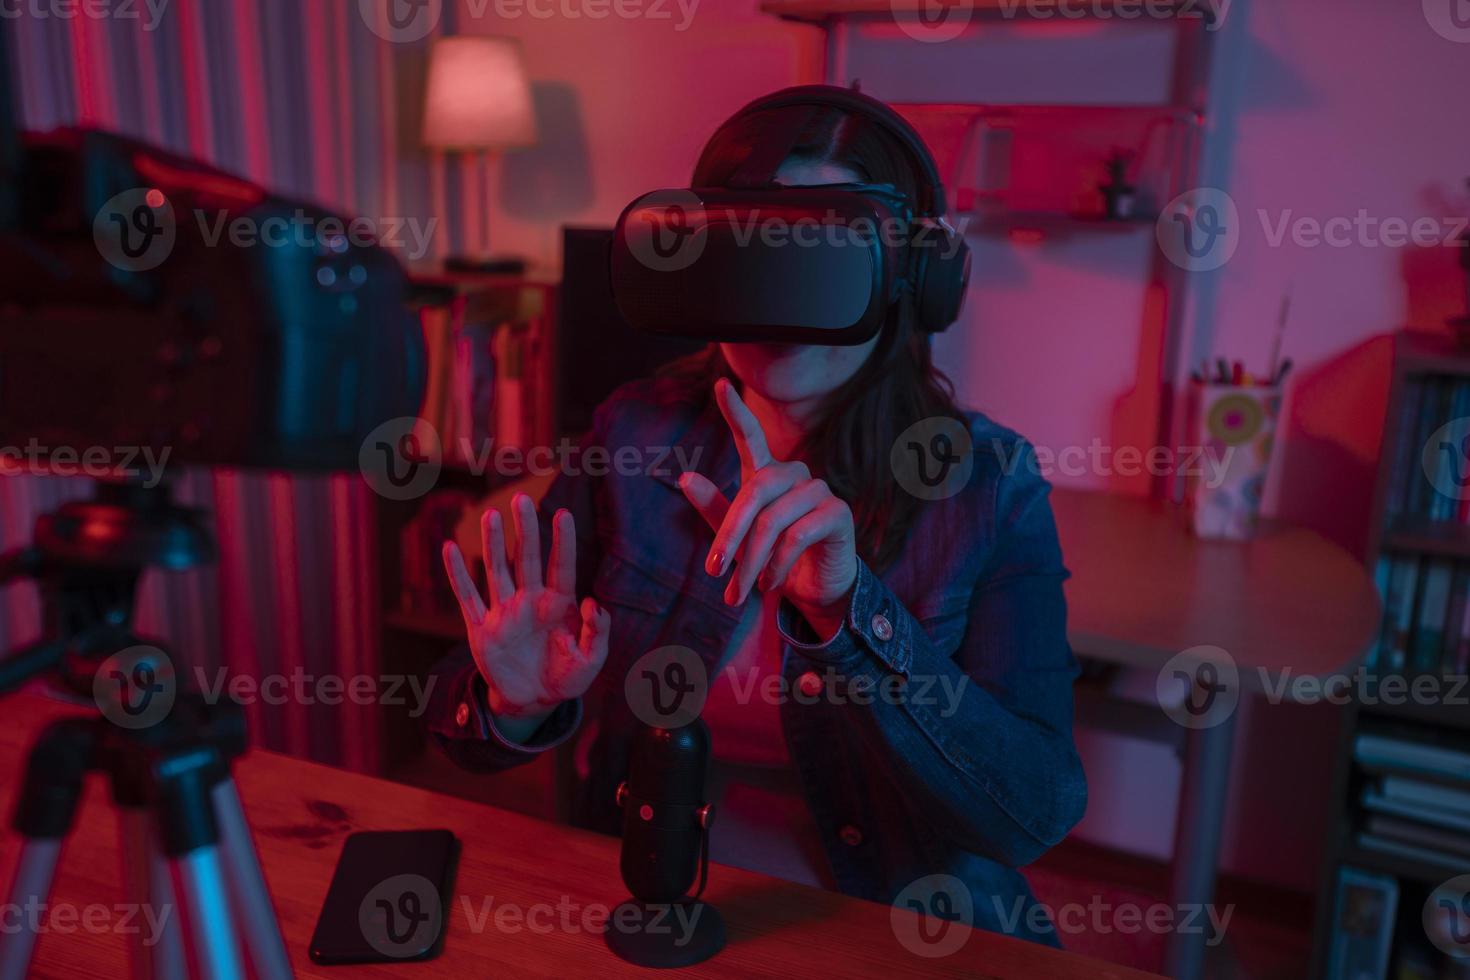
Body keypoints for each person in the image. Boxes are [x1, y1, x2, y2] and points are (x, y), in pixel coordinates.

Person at [425, 85, 1086, 945]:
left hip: (897, 920)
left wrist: (851, 614)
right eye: (757, 251)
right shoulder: (635, 431)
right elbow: (463, 727)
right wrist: (512, 703)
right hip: (661, 896)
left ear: (911, 282)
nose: (784, 304)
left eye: (825, 255)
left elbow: (1031, 812)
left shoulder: (988, 483)